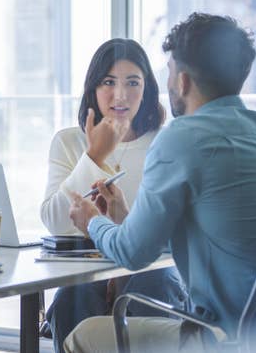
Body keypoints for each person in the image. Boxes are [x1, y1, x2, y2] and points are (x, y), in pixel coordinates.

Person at [64, 13, 256, 352]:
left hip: (225, 339)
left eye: (169, 71)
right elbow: (235, 241)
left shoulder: (181, 139)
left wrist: (92, 221)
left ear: (182, 81)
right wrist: (127, 222)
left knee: (82, 335)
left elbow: (131, 254)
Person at [40, 38, 188, 352]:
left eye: (132, 82)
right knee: (74, 292)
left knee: (154, 281)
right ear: (93, 88)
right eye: (108, 82)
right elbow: (55, 222)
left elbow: (175, 234)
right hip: (87, 271)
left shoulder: (167, 142)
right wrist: (93, 156)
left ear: (146, 89)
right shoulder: (69, 141)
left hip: (152, 270)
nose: (120, 94)